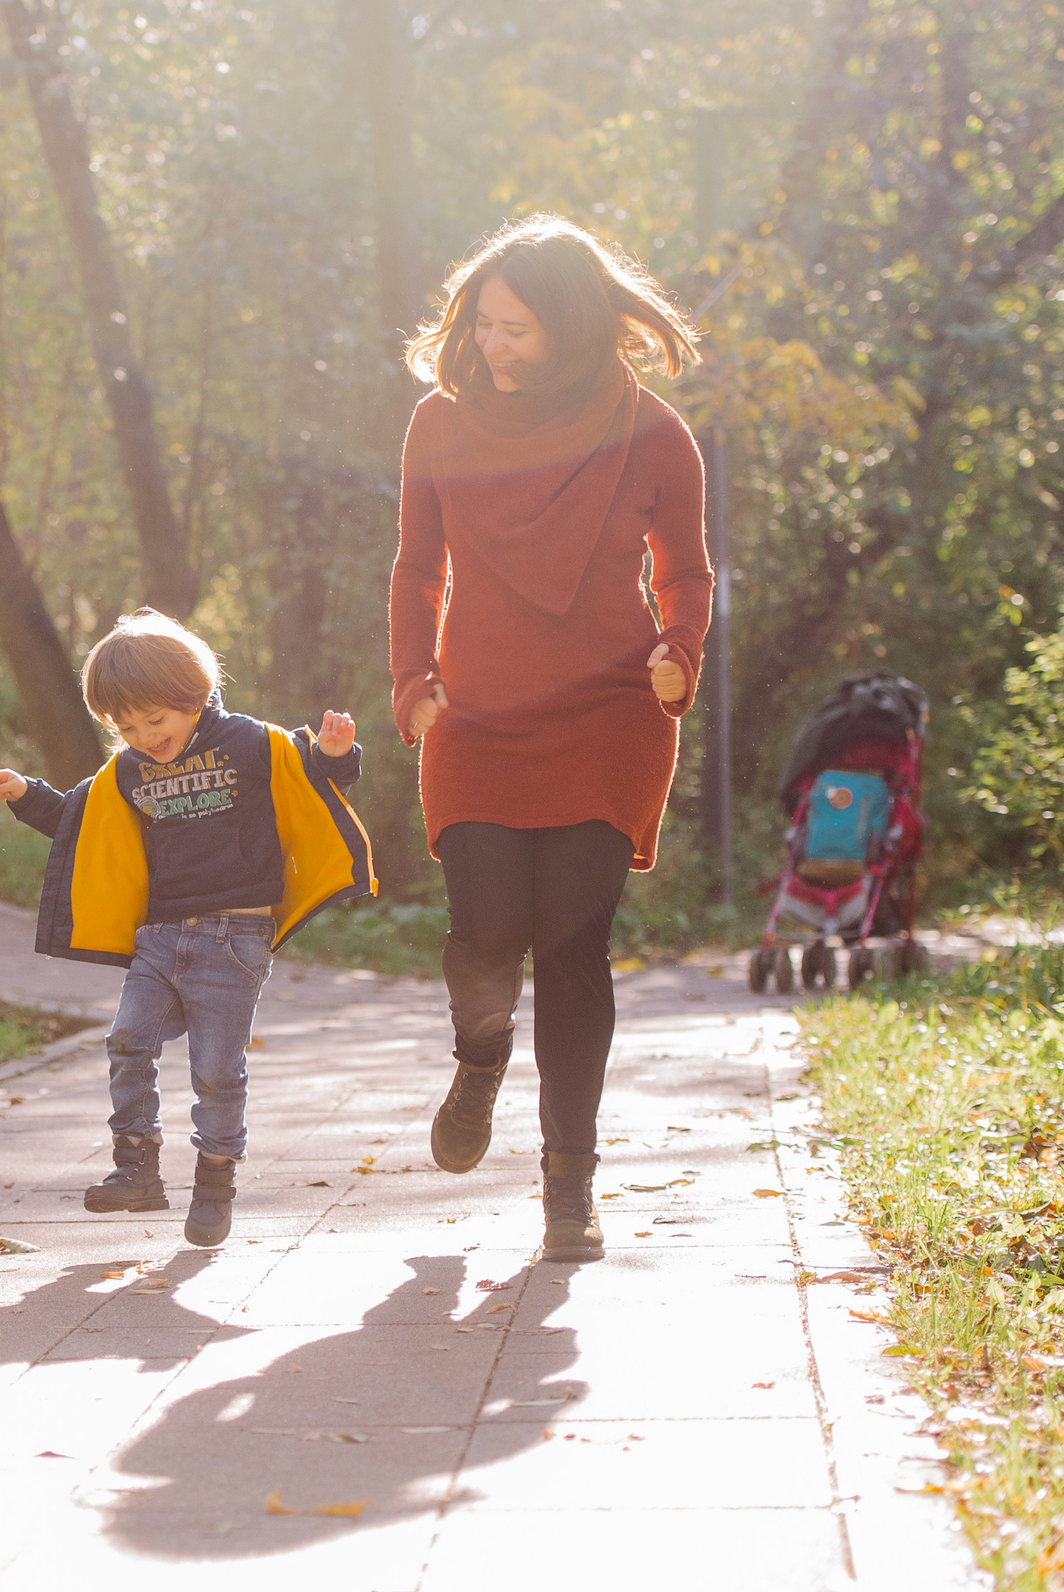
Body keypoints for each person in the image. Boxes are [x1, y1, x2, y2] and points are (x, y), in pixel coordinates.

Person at [386, 214, 712, 1264]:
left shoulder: (652, 432)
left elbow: (687, 570)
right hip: (477, 717)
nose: (492, 345)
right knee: (485, 933)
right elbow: (414, 568)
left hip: (606, 717)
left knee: (572, 945)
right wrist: (411, 676)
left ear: (570, 329)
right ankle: (479, 1054)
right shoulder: (437, 426)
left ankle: (568, 1189)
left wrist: (679, 649)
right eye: (483, 325)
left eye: (515, 329)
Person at [0, 611, 375, 1247]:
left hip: (236, 936)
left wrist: (336, 755)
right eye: (126, 727)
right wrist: (27, 795)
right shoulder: (127, 771)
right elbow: (80, 827)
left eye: (156, 720)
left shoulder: (253, 742)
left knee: (217, 1070)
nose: (144, 737)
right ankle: (135, 1168)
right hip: (160, 936)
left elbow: (313, 782)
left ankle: (216, 1178)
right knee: (127, 1039)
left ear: (192, 696)